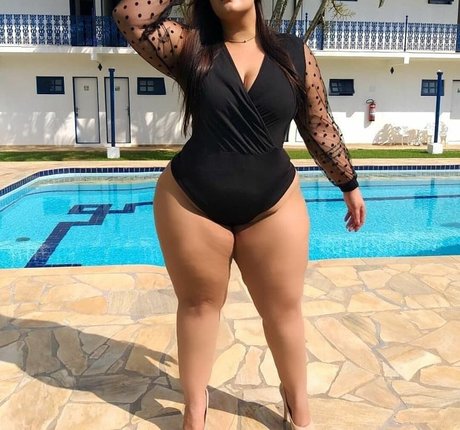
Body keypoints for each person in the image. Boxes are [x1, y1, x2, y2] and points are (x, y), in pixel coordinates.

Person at [113, 0, 366, 429]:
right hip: (192, 203)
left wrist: (348, 182)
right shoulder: (190, 45)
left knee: (283, 310)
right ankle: (195, 410)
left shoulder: (294, 52)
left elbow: (318, 124)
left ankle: (298, 407)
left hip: (274, 203)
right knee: (199, 306)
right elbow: (130, 16)